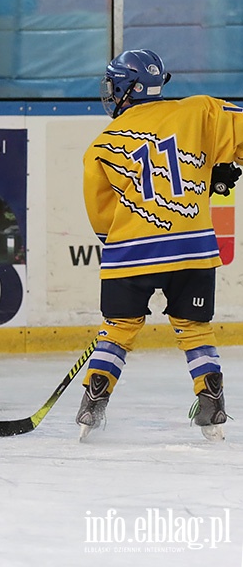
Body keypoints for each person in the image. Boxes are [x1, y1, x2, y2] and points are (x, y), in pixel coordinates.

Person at [77, 49, 241, 442]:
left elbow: (102, 216)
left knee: (118, 328)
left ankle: (92, 405)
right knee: (194, 328)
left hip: (131, 250)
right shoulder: (201, 112)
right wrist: (219, 169)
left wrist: (119, 244)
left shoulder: (102, 145)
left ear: (126, 88)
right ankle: (211, 402)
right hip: (192, 249)